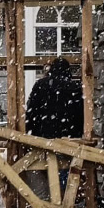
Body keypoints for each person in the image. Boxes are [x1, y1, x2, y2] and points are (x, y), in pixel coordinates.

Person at [25, 57, 85, 192]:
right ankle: (62, 200)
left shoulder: (41, 85)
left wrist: (31, 133)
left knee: (42, 170)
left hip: (43, 138)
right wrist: (77, 135)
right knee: (64, 170)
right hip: (68, 139)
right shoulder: (75, 88)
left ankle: (49, 203)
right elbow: (81, 114)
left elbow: (31, 112)